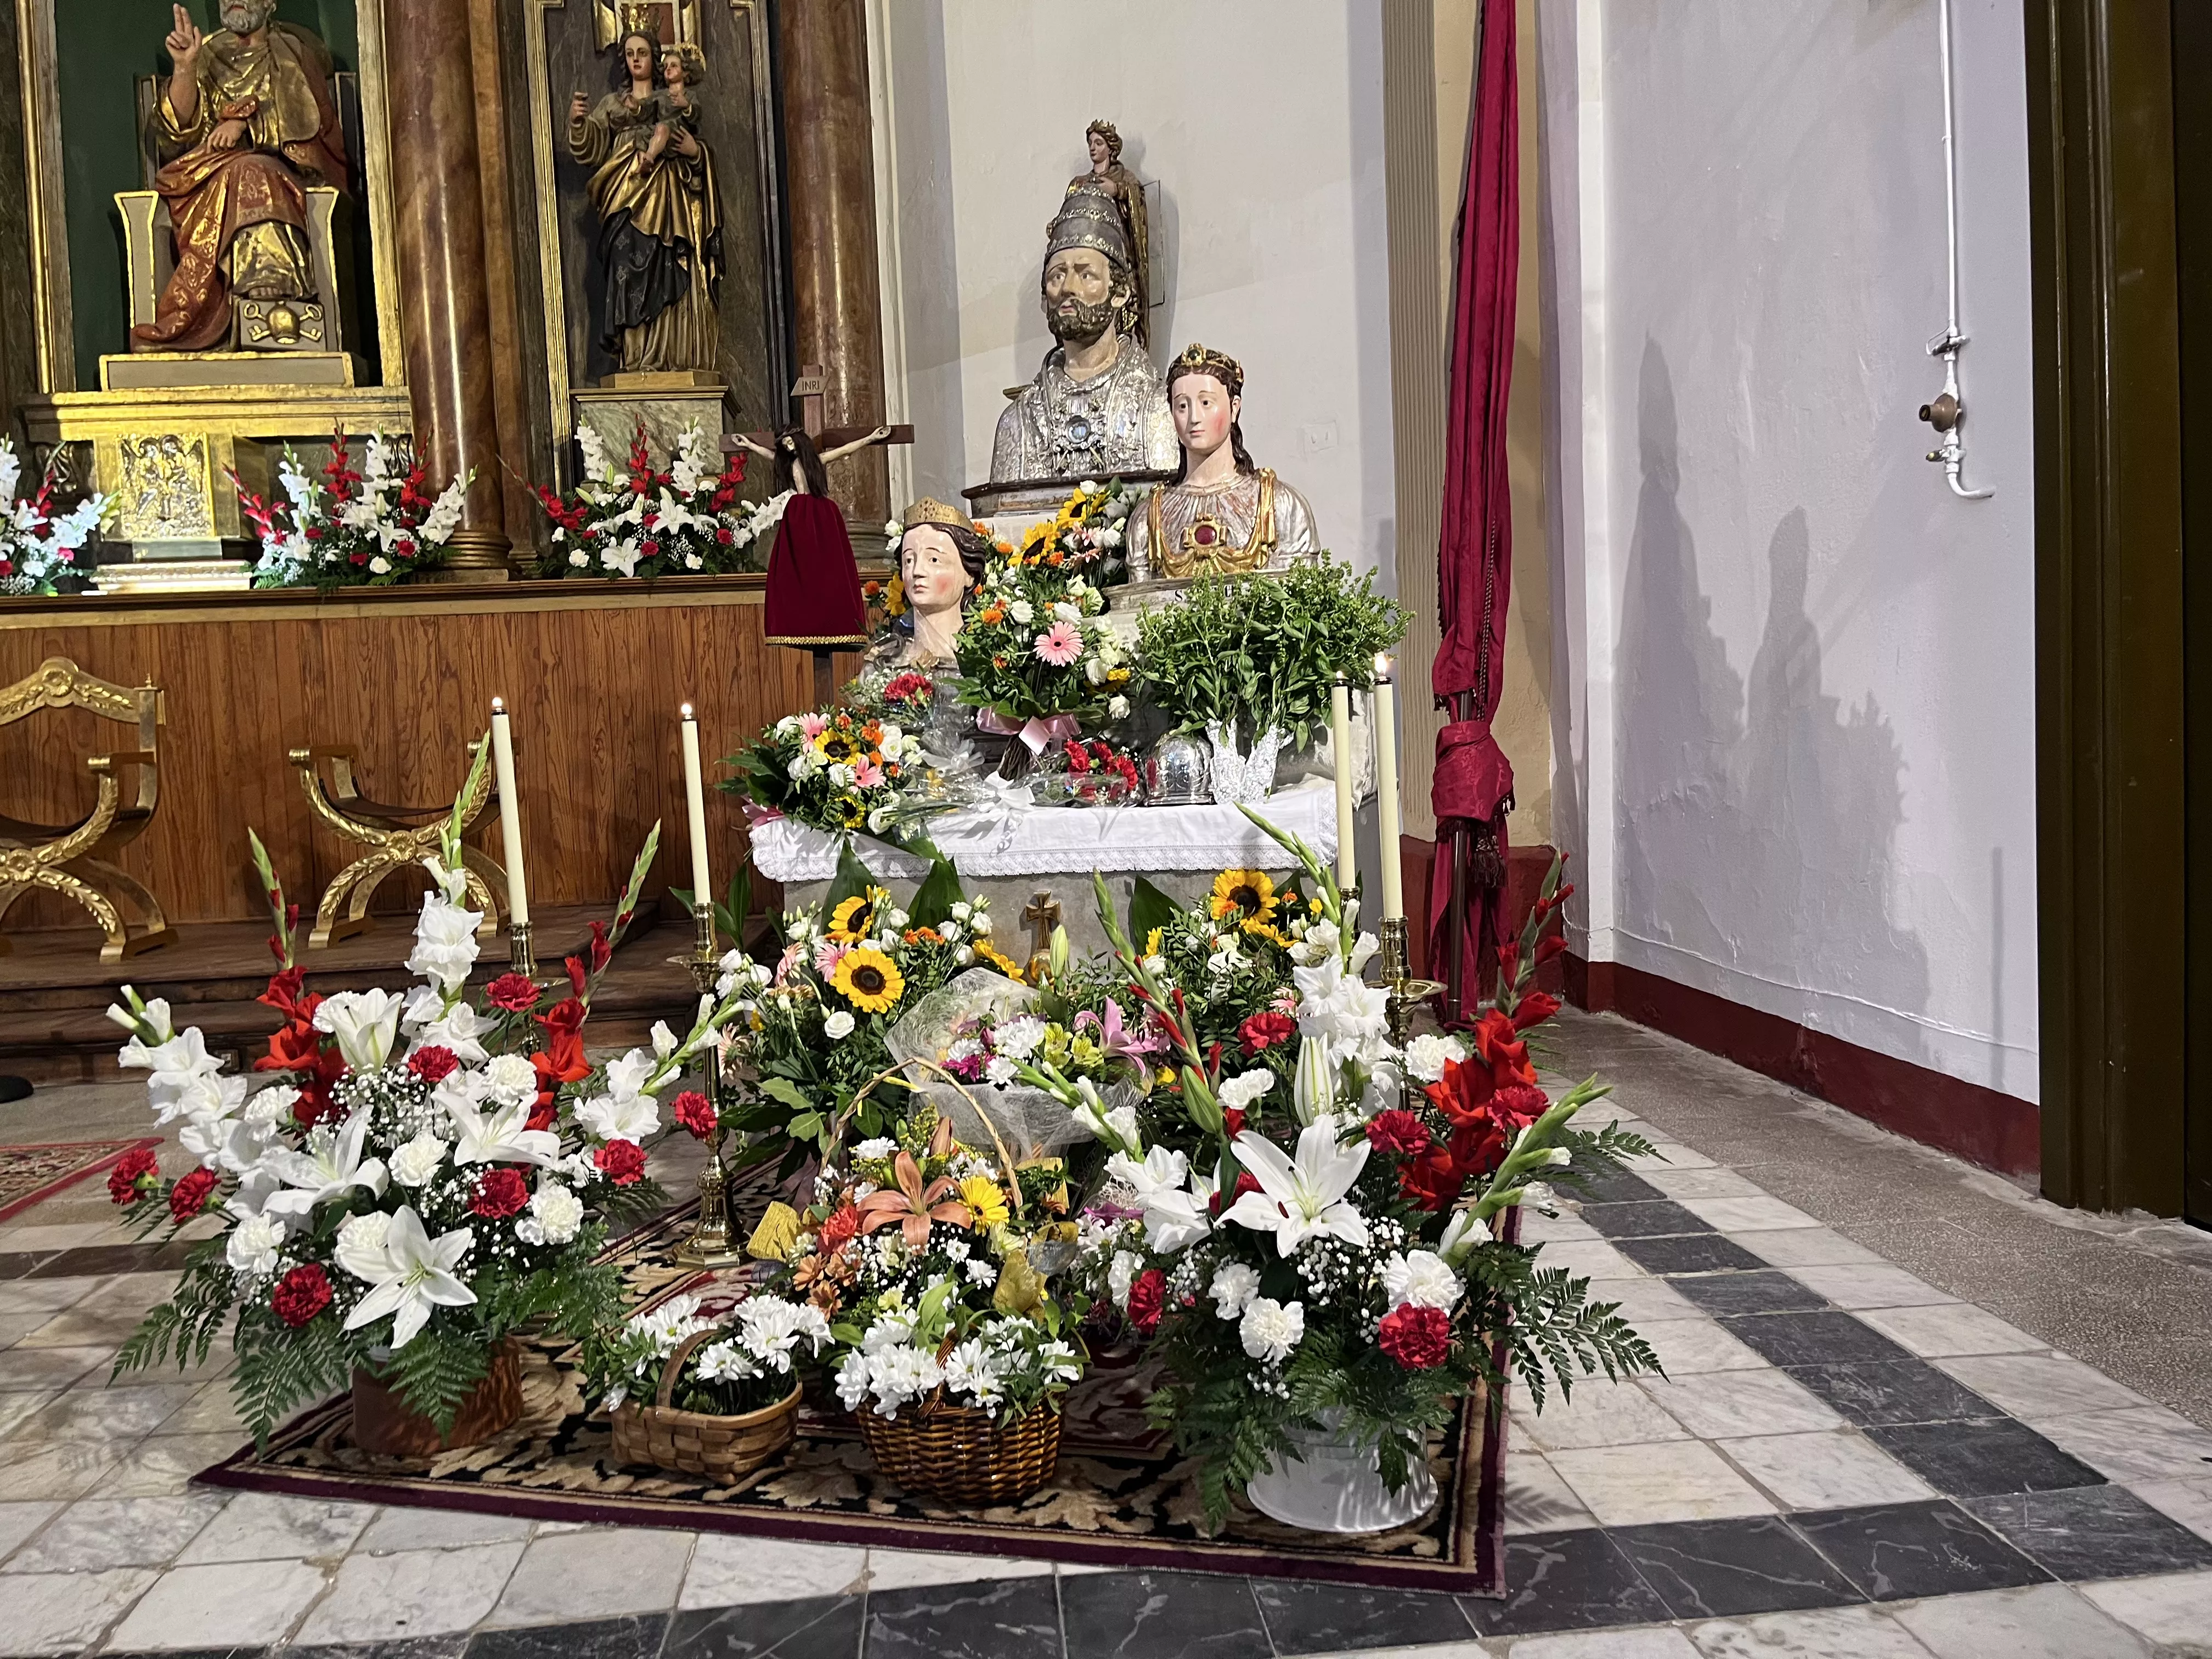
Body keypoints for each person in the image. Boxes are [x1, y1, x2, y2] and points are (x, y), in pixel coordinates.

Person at [135, 1, 349, 353]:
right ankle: (214, 316)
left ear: (270, 3)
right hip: (203, 174)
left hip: (276, 166)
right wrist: (185, 68)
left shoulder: (294, 53)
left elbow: (308, 129)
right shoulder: (206, 52)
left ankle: (269, 288)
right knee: (243, 171)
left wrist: (246, 125)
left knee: (253, 170)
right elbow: (177, 133)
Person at [989, 192, 1176, 483]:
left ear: (1120, 293)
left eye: (1086, 275)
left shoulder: (1158, 407)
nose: (1068, 288)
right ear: (1044, 300)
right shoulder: (1019, 422)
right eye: (1057, 276)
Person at [568, 31, 724, 375]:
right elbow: (592, 145)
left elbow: (693, 146)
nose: (636, 59)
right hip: (624, 192)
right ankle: (635, 356)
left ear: (654, 58)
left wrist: (694, 153)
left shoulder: (669, 100)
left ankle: (666, 352)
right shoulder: (612, 103)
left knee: (664, 261)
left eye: (642, 53)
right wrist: (578, 123)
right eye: (629, 54)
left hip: (668, 198)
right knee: (625, 267)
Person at [1129, 343, 1319, 582]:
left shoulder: (1279, 505)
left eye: (1206, 403)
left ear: (1234, 408)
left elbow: (1302, 600)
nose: (1194, 418)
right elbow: (1137, 605)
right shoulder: (1149, 517)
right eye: (1182, 406)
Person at [729, 425, 893, 650]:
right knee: (798, 561)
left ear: (799, 441)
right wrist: (748, 445)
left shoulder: (816, 460)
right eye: (785, 444)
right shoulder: (787, 464)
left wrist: (871, 438)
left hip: (818, 513)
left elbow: (846, 450)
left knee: (825, 560)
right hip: (798, 515)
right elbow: (769, 456)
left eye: (791, 442)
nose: (788, 447)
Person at [868, 499, 996, 673]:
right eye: (909, 561)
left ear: (970, 575)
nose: (917, 571)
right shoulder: (882, 665)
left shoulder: (987, 664)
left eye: (934, 560)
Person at [1061, 120, 1150, 347]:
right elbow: (1069, 220)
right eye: (1090, 143)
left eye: (1098, 143)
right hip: (1087, 261)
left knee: (1119, 307)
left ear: (1111, 148)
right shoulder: (1079, 183)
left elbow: (1138, 209)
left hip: (1118, 257)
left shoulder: (1125, 179)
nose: (1092, 148)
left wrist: (1118, 191)